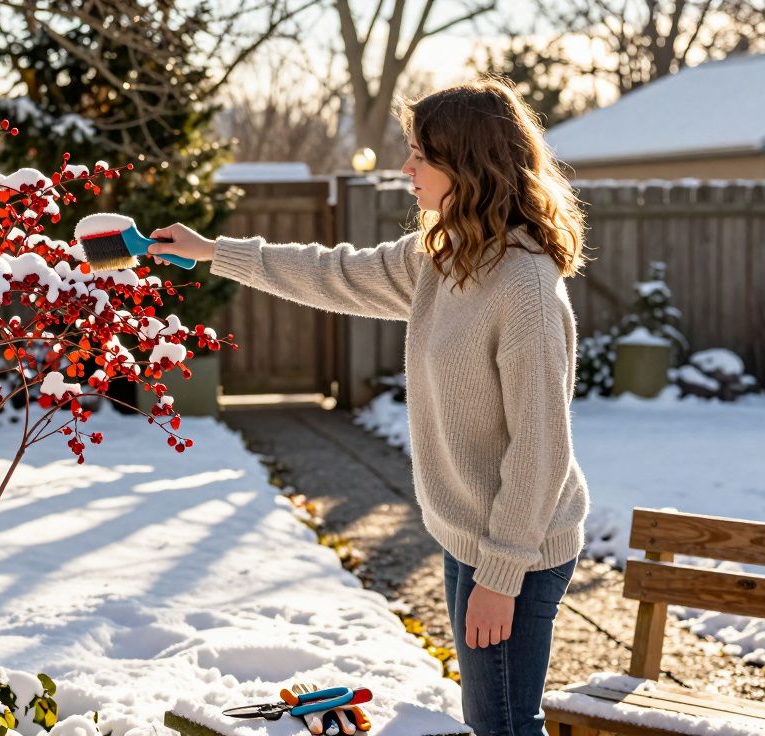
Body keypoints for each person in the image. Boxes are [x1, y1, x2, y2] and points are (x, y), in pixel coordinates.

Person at [147, 78, 589, 736]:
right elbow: (333, 271)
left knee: (503, 724)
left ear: (468, 165)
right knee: (487, 715)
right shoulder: (447, 259)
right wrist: (215, 253)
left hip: (518, 547)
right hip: (474, 535)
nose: (405, 168)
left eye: (419, 155)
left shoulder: (521, 284)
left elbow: (540, 446)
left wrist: (501, 574)